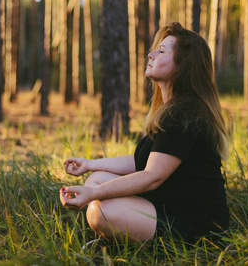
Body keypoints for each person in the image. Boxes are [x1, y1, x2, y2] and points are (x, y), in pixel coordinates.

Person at [59, 22, 229, 244]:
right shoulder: (172, 108)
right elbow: (144, 163)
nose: (151, 55)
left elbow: (151, 176)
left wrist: (92, 195)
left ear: (182, 65)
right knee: (97, 179)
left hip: (199, 227)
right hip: (169, 204)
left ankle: (127, 242)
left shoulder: (185, 113)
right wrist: (90, 163)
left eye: (161, 51)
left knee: (98, 212)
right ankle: (124, 239)